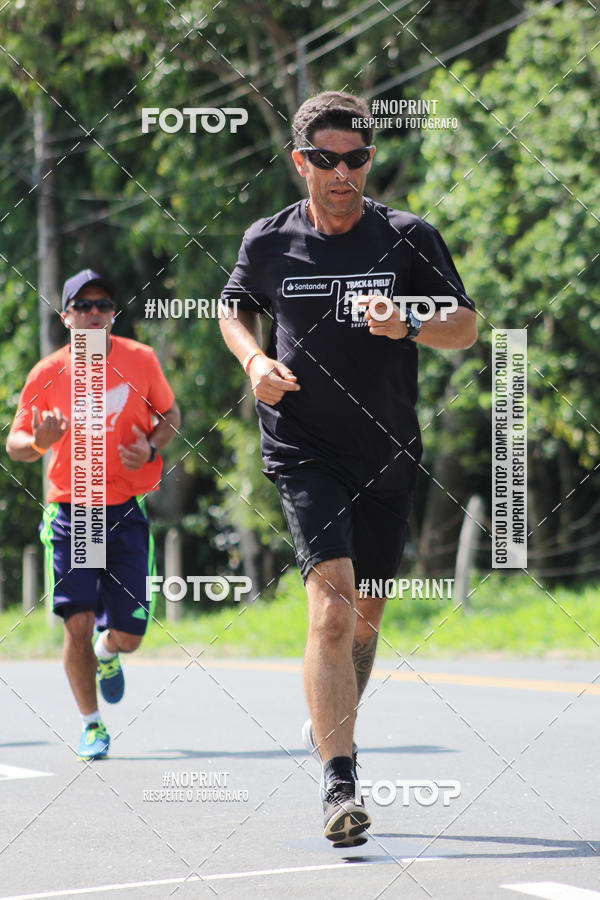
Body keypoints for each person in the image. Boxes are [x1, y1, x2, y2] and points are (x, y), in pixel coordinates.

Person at [218, 90, 477, 846]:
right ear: (300, 161)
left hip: (387, 450)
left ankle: (332, 721)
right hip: (303, 447)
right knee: (330, 610)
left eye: (356, 158)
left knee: (364, 619)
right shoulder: (269, 241)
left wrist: (410, 321)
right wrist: (254, 361)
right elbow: (232, 306)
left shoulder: (407, 237)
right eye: (326, 160)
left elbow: (465, 325)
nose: (343, 173)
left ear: (369, 159)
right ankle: (340, 781)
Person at [7, 269, 180, 761]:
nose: (94, 313)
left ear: (113, 314)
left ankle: (107, 652)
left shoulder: (140, 360)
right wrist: (38, 442)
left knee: (130, 636)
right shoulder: (47, 372)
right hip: (74, 513)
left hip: (124, 509)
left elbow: (170, 415)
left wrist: (150, 446)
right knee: (77, 622)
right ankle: (91, 725)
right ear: (66, 318)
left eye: (103, 304)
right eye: (82, 306)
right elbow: (16, 443)